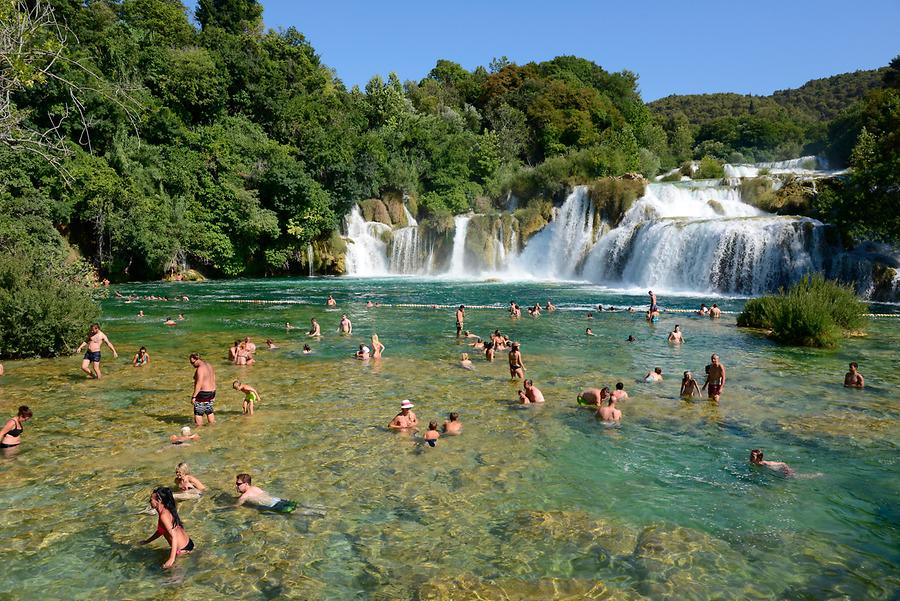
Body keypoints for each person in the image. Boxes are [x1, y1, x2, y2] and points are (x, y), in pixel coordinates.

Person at [140, 487, 194, 568]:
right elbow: (161, 531)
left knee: (173, 580)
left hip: (182, 550)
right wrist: (147, 541)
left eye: (151, 499)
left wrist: (171, 559)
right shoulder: (167, 510)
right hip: (188, 543)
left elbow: (174, 536)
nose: (149, 501)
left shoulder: (163, 516)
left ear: (159, 500)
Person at [189, 353, 216, 426]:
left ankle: (199, 430)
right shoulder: (209, 365)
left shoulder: (200, 369)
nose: (192, 365)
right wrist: (214, 394)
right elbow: (213, 378)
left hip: (203, 393)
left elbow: (199, 383)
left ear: (197, 359)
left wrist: (194, 396)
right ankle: (212, 427)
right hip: (212, 392)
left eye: (192, 362)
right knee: (209, 411)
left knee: (198, 413)